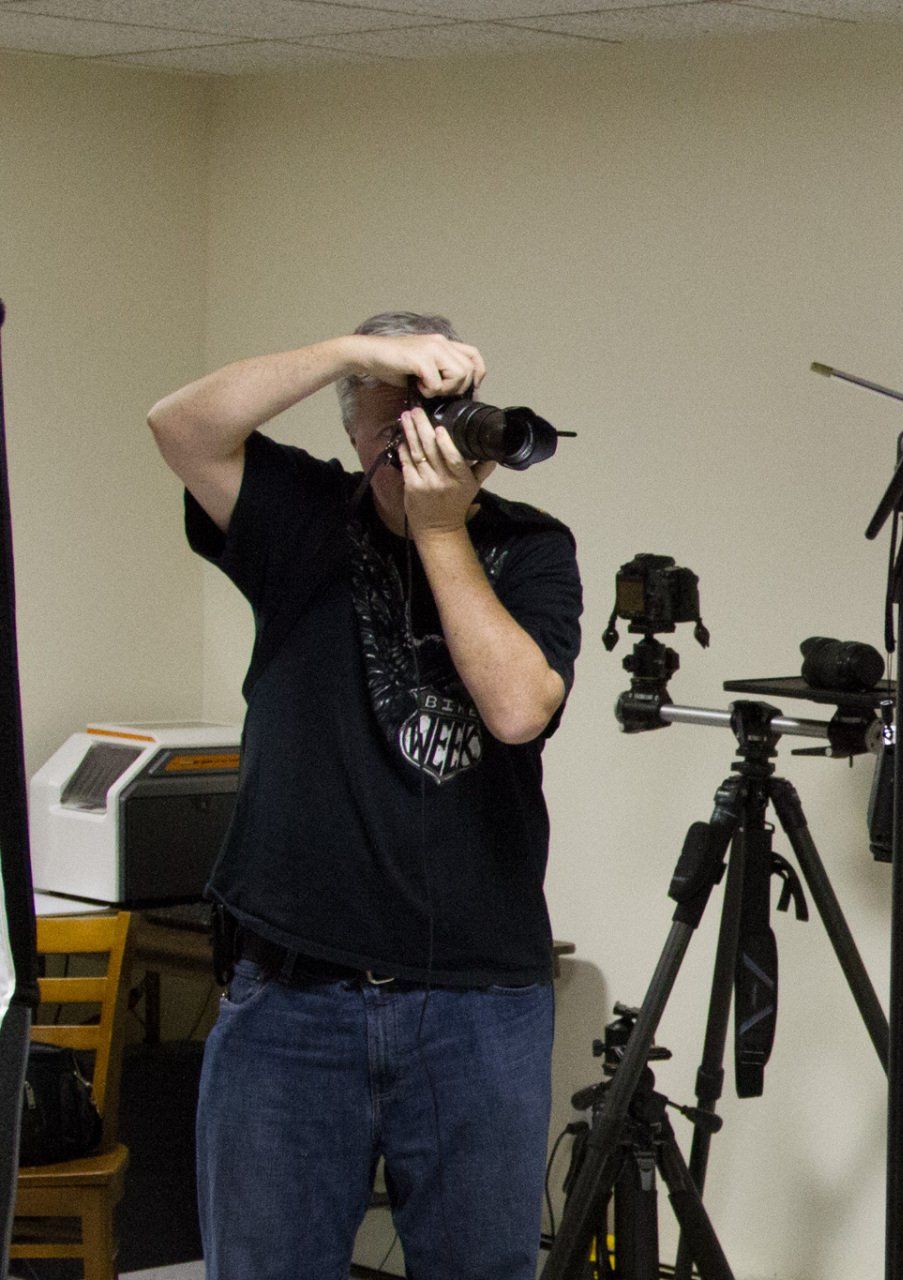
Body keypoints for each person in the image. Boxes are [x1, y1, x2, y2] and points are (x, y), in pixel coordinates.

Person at [147, 312, 583, 1280]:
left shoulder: (533, 546)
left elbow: (517, 709)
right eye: (399, 418)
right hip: (293, 999)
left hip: (476, 1002)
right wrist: (349, 356)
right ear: (357, 430)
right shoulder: (304, 516)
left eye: (443, 412)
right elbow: (178, 426)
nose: (425, 437)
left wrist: (438, 532)